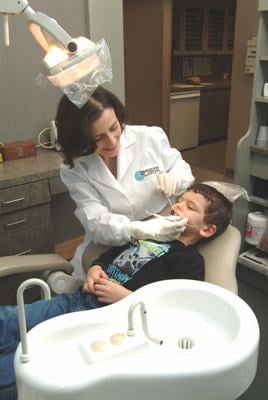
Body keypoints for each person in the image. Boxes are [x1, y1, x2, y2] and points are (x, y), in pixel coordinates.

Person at [0, 183, 232, 399]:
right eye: (180, 199)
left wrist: (126, 299)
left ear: (207, 230)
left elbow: (174, 312)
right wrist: (95, 269)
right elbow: (108, 256)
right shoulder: (150, 233)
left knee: (23, 367)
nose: (178, 205)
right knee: (9, 320)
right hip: (74, 301)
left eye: (190, 207)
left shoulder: (189, 260)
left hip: (105, 324)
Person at [56, 86, 195, 280]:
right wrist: (133, 229)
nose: (112, 141)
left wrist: (176, 179)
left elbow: (181, 168)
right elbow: (94, 219)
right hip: (108, 245)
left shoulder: (149, 137)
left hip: (159, 239)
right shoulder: (75, 167)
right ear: (80, 140)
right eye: (98, 137)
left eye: (114, 127)